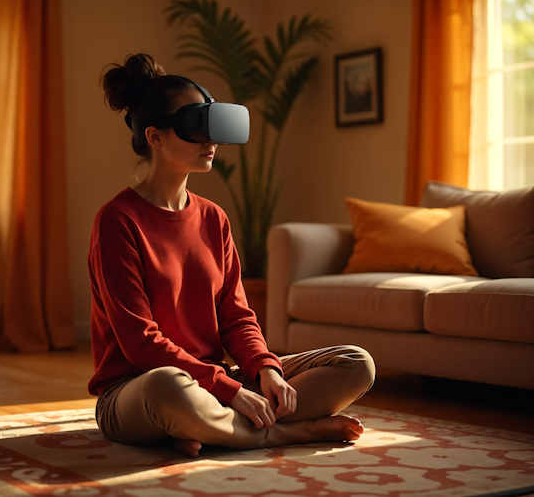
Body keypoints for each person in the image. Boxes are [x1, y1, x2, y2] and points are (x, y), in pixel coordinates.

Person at [88, 53, 376, 458]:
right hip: (138, 392)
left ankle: (210, 430)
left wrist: (266, 371)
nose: (211, 140)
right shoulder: (117, 221)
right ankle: (287, 433)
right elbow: (140, 342)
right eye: (195, 125)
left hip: (215, 385)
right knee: (168, 385)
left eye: (213, 124)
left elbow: (237, 317)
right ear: (154, 136)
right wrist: (232, 391)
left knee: (356, 363)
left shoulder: (213, 218)